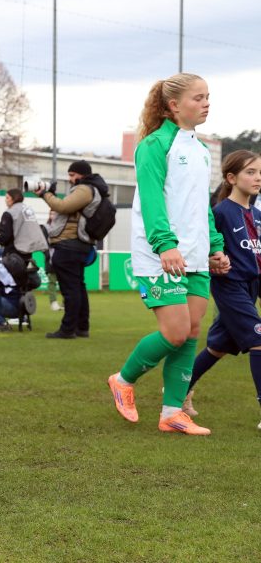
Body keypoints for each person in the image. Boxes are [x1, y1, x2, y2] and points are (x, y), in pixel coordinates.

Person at [107, 72, 229, 436]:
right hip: (160, 253)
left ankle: (172, 412)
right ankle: (123, 380)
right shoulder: (154, 145)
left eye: (208, 97)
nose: (206, 103)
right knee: (175, 332)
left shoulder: (202, 149)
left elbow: (201, 207)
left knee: (191, 331)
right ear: (174, 105)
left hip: (194, 254)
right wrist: (165, 244)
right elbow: (152, 198)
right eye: (198, 97)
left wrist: (216, 246)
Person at [183, 150, 261, 427]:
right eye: (250, 172)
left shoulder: (258, 214)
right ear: (231, 177)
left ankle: (178, 391)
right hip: (229, 287)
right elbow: (199, 248)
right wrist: (211, 261)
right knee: (258, 340)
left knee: (218, 346)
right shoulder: (220, 213)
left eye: (259, 172)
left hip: (251, 286)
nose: (257, 178)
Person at [33, 161, 107, 338]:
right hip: (78, 245)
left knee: (70, 289)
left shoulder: (84, 189)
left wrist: (45, 194)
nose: (70, 179)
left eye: (73, 175)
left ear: (83, 175)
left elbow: (63, 207)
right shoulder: (93, 189)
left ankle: (67, 329)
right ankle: (82, 327)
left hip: (69, 245)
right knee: (78, 287)